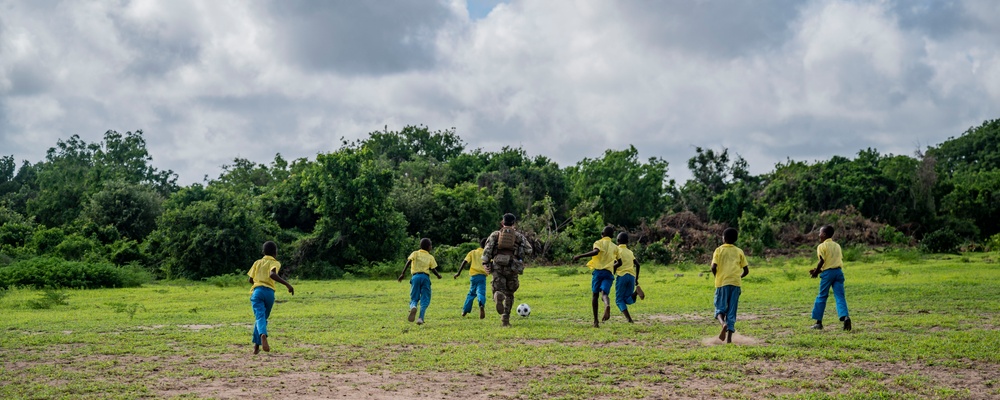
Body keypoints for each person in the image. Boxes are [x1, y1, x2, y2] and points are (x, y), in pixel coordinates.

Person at [482, 213, 533, 327]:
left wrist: (485, 263)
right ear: (514, 224)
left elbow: (487, 250)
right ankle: (505, 320)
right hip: (512, 266)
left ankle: (497, 295)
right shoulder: (519, 236)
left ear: (502, 222)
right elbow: (529, 250)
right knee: (510, 293)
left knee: (498, 288)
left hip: (497, 266)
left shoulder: (495, 235)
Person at [246, 241, 294, 354]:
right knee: (261, 318)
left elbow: (250, 280)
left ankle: (262, 336)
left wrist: (258, 283)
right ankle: (256, 347)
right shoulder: (275, 263)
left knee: (259, 317)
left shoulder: (257, 262)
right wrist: (287, 284)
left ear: (263, 252)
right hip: (269, 294)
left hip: (257, 292)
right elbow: (272, 274)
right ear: (275, 253)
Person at [572, 226, 619, 328]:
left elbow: (595, 252)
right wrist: (612, 267)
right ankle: (607, 305)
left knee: (595, 295)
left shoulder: (598, 242)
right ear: (612, 236)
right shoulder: (615, 247)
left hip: (598, 272)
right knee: (604, 293)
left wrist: (580, 256)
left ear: (602, 234)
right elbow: (620, 262)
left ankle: (596, 321)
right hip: (608, 273)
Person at [809, 225, 852, 331]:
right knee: (840, 296)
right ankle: (845, 317)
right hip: (838, 272)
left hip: (827, 274)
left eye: (820, 232)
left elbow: (822, 261)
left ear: (824, 234)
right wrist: (817, 270)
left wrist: (815, 273)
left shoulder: (822, 246)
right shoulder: (837, 246)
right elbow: (832, 262)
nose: (819, 235)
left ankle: (818, 323)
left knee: (822, 296)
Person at [711, 228, 748, 344]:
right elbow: (746, 270)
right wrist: (738, 277)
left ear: (724, 238)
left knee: (719, 308)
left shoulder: (718, 250)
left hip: (722, 283)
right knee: (732, 311)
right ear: (735, 239)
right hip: (736, 284)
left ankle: (723, 324)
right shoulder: (739, 251)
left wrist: (716, 276)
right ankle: (729, 339)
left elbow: (713, 267)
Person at [398, 238, 442, 325]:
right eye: (431, 246)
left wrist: (402, 273)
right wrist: (438, 275)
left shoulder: (415, 253)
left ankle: (413, 306)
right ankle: (420, 318)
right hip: (425, 277)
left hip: (415, 277)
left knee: (414, 297)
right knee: (425, 298)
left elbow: (408, 262)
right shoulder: (430, 257)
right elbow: (433, 269)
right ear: (429, 247)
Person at [612, 232, 643, 323]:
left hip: (622, 276)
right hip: (631, 277)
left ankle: (629, 319)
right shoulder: (630, 252)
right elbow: (637, 264)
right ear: (627, 242)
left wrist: (612, 274)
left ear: (617, 241)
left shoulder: (616, 251)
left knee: (619, 300)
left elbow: (615, 264)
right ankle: (636, 292)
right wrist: (636, 278)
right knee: (627, 299)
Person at [454, 238, 489, 319]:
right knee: (481, 292)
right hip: (482, 277)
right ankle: (481, 304)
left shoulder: (473, 252)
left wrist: (458, 273)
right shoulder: (487, 254)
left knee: (471, 293)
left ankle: (465, 311)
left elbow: (464, 262)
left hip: (473, 276)